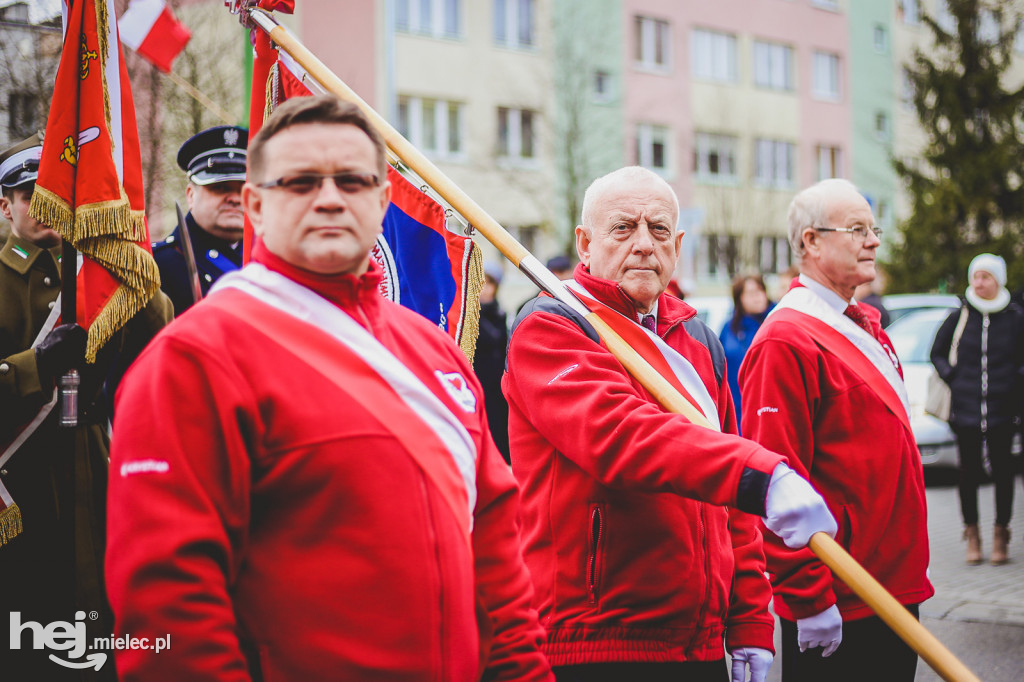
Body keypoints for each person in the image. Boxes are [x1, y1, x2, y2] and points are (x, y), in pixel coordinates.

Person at [105, 95, 552, 681]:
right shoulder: (192, 359)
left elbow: (496, 549)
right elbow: (168, 605)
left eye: (353, 180)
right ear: (256, 204)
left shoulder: (433, 349)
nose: (331, 197)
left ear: (382, 200)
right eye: (301, 181)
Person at [503, 166, 837, 682]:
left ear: (677, 245)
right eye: (623, 228)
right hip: (593, 644)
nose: (643, 244)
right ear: (584, 244)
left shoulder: (698, 338)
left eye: (658, 230)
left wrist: (749, 620)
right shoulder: (552, 325)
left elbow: (732, 512)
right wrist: (757, 475)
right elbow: (620, 435)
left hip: (699, 643)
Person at [740, 179, 934, 682]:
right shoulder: (785, 339)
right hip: (841, 596)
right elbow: (774, 480)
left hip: (893, 584)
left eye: (874, 229)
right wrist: (807, 598)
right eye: (856, 229)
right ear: (810, 242)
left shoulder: (865, 322)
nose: (873, 240)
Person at [0, 133, 172, 678]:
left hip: (96, 464)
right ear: (5, 206)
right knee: (27, 624)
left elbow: (161, 339)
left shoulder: (95, 268)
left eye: (58, 192)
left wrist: (123, 255)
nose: (48, 205)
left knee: (95, 613)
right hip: (19, 476)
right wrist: (36, 365)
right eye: (32, 195)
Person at [930, 253, 1024, 565]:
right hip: (966, 410)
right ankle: (972, 534)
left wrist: (1014, 383)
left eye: (986, 277)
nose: (979, 283)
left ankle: (1001, 533)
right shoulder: (960, 314)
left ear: (999, 280)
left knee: (1003, 472)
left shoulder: (1014, 316)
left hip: (1003, 409)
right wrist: (954, 379)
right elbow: (937, 352)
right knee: (967, 473)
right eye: (976, 276)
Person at [153, 125, 248, 315]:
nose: (235, 198)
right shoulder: (157, 267)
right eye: (220, 187)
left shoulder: (264, 261)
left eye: (244, 188)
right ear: (190, 195)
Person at [719, 274, 773, 429]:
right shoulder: (729, 329)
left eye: (760, 290)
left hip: (767, 406)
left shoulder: (774, 322)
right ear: (739, 298)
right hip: (737, 407)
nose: (757, 297)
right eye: (750, 293)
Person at [474, 260, 510, 462]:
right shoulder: (468, 315)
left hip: (498, 390)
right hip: (478, 387)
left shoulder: (500, 313)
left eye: (489, 284)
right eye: (481, 283)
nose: (485, 290)